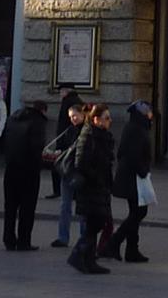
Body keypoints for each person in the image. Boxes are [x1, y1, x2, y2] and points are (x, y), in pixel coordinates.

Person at [69, 102, 116, 275]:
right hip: (90, 188)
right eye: (106, 118)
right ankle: (79, 256)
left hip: (100, 187)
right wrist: (96, 177)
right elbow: (80, 162)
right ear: (96, 119)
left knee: (96, 223)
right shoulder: (88, 135)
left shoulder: (102, 136)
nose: (109, 121)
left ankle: (87, 259)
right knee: (94, 222)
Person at [0, 97, 51, 250]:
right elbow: (36, 147)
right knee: (27, 208)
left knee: (10, 207)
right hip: (29, 170)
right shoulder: (37, 122)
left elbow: (4, 140)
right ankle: (24, 241)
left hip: (11, 168)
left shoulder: (12, 119)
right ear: (43, 110)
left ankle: (8, 239)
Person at [112, 101, 155, 262]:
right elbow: (132, 155)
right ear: (142, 113)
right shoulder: (136, 129)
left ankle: (131, 250)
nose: (151, 114)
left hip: (133, 176)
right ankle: (114, 242)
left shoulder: (137, 127)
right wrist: (143, 171)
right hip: (133, 177)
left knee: (135, 212)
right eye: (149, 111)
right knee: (139, 212)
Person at [47, 95, 85, 247]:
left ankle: (83, 237)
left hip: (80, 172)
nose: (73, 119)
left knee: (82, 206)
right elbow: (63, 147)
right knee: (65, 205)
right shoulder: (69, 130)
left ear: (83, 115)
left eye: (75, 116)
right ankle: (63, 237)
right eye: (71, 117)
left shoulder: (86, 132)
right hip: (67, 171)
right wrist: (57, 153)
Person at [49, 86, 77, 199]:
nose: (60, 94)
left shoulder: (67, 102)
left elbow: (64, 123)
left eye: (61, 91)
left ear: (66, 91)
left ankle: (58, 190)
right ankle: (73, 191)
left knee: (58, 164)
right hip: (72, 139)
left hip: (65, 139)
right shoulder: (77, 100)